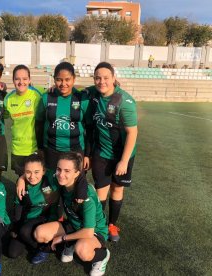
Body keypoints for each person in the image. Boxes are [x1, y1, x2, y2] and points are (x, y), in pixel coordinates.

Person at [33, 152, 110, 276]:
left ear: (77, 173)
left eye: (67, 171)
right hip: (73, 225)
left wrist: (62, 238)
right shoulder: (60, 179)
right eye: (59, 169)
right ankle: (73, 242)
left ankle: (103, 256)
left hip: (94, 230)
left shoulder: (86, 196)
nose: (61, 174)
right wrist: (21, 179)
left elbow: (88, 231)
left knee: (82, 251)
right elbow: (40, 172)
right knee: (39, 233)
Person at [86, 62, 138, 242]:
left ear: (114, 78)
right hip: (102, 153)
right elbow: (76, 92)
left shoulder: (125, 101)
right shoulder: (94, 93)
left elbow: (132, 132)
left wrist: (123, 161)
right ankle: (99, 227)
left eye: (106, 78)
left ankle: (112, 225)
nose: (101, 82)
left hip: (123, 155)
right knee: (100, 192)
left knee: (117, 190)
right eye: (98, 78)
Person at [35, 62, 92, 171]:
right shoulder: (46, 97)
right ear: (54, 79)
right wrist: (41, 148)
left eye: (67, 79)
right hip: (51, 150)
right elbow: (39, 124)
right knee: (53, 184)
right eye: (59, 79)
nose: (63, 83)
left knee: (74, 185)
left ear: (74, 79)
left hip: (76, 151)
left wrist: (87, 155)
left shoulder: (82, 98)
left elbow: (90, 129)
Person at [8, 153, 60, 264]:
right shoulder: (21, 186)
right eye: (28, 172)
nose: (32, 176)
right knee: (12, 252)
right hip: (28, 220)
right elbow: (17, 210)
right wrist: (14, 229)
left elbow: (65, 174)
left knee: (25, 231)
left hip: (46, 220)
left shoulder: (51, 179)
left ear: (44, 171)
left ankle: (45, 249)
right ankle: (36, 241)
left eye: (36, 172)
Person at [4, 65, 42, 177]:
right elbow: (4, 115)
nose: (21, 82)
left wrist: (53, 87)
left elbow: (53, 92)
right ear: (13, 80)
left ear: (29, 80)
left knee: (34, 180)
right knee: (21, 180)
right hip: (17, 149)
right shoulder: (8, 99)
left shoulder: (37, 94)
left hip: (34, 148)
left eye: (25, 79)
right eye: (17, 79)